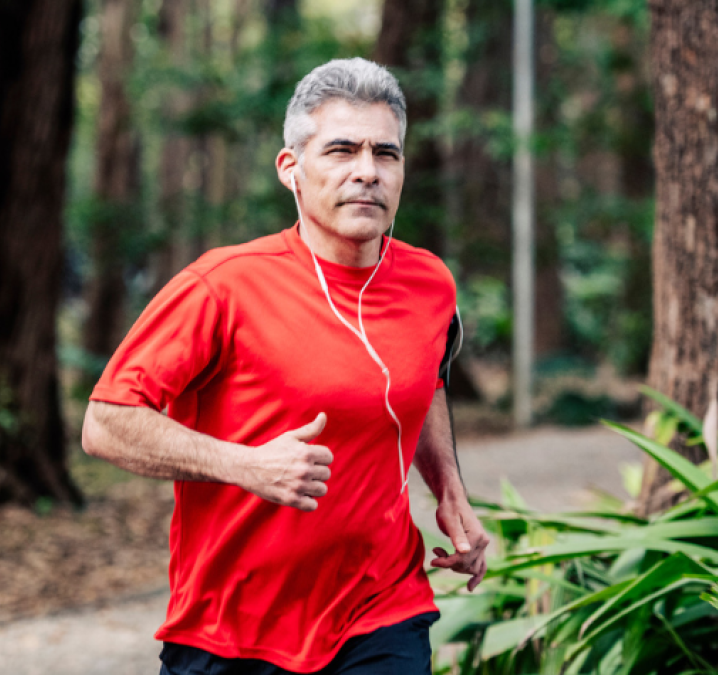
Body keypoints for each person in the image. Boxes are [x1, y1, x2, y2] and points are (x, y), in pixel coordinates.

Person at [81, 57, 490, 675]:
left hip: (382, 611)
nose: (367, 173)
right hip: (233, 629)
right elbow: (105, 422)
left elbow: (424, 376)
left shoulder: (430, 282)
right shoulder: (224, 285)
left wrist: (450, 489)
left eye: (386, 154)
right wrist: (243, 463)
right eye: (341, 151)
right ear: (291, 169)